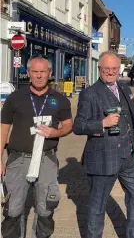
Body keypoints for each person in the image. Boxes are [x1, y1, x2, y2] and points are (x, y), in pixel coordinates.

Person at [72, 51, 134, 238]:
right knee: (97, 205)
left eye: (114, 69)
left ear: (119, 69)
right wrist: (102, 123)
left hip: (129, 156)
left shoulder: (125, 89)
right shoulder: (89, 94)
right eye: (106, 69)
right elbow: (78, 126)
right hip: (103, 158)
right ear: (99, 69)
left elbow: (130, 117)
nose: (110, 72)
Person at [1, 55, 73, 238]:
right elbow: (3, 129)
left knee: (46, 208)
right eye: (35, 72)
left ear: (50, 73)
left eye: (43, 72)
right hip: (18, 160)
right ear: (28, 73)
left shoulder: (60, 99)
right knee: (12, 209)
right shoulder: (15, 98)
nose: (39, 76)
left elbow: (68, 126)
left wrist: (54, 133)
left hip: (46, 160)